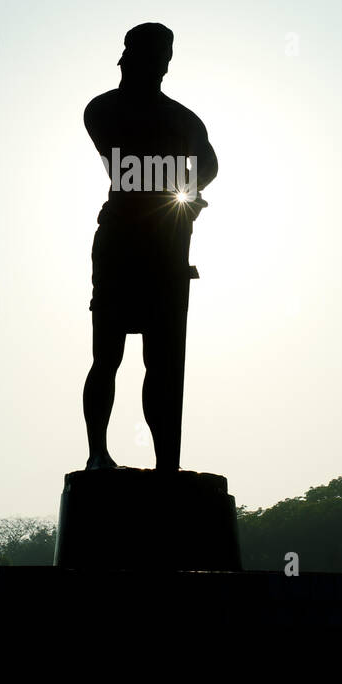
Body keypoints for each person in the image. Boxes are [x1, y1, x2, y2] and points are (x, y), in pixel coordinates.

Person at [82, 23, 218, 472]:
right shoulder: (103, 109)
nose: (152, 63)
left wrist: (186, 197)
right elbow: (127, 161)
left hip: (166, 251)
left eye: (160, 55)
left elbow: (208, 168)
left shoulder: (185, 119)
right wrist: (180, 185)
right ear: (126, 56)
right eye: (143, 53)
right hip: (121, 244)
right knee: (108, 354)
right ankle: (98, 452)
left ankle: (165, 464)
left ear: (167, 63)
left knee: (161, 363)